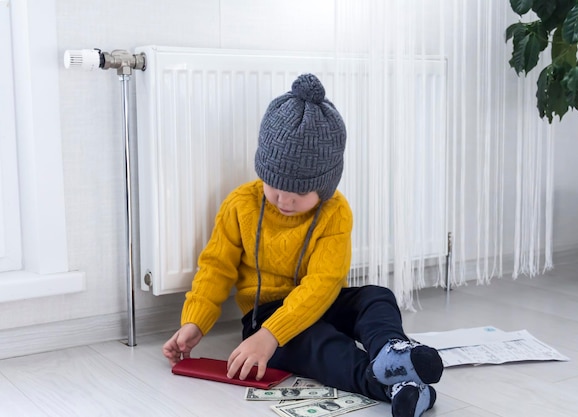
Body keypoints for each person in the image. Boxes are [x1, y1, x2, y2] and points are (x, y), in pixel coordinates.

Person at [162, 73, 444, 417]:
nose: (284, 200)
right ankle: (391, 385)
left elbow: (323, 284)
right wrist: (196, 322)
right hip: (265, 317)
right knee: (314, 345)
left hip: (321, 301)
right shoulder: (240, 205)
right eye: (275, 186)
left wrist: (273, 335)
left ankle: (392, 352)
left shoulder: (335, 211)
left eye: (298, 193)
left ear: (324, 186)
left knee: (376, 297)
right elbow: (215, 268)